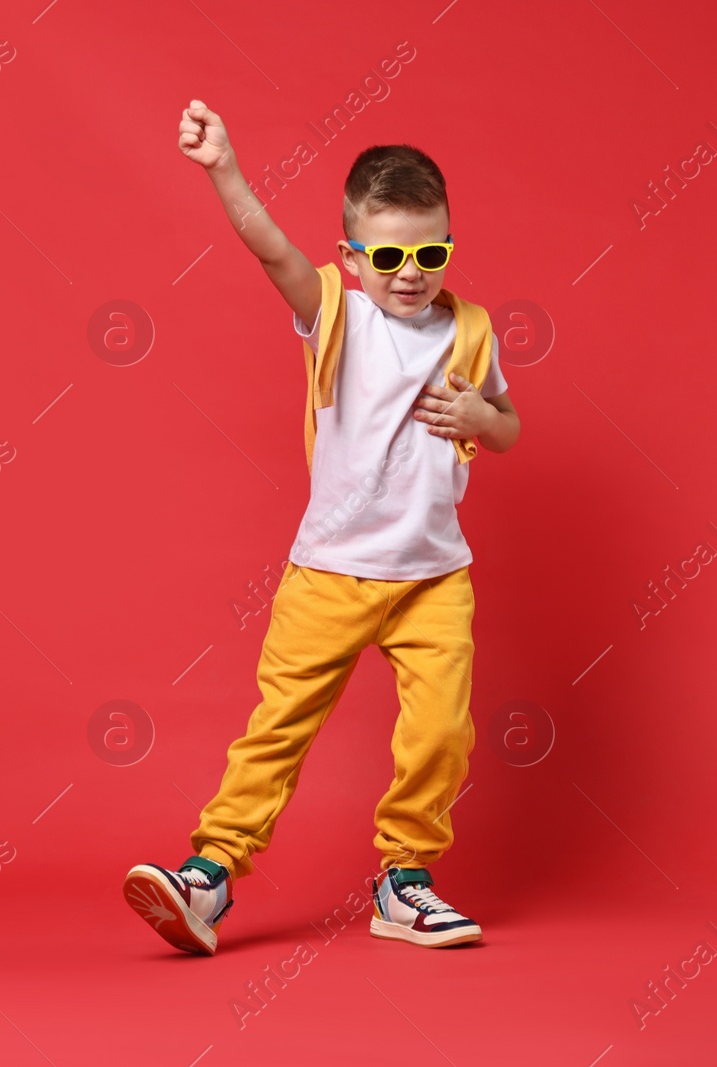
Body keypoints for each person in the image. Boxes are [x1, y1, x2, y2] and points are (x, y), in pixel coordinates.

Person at [122, 99, 520, 956]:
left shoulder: (473, 329)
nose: (410, 272)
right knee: (282, 724)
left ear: (449, 246)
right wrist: (224, 167)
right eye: (388, 255)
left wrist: (482, 418)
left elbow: (511, 425)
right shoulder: (340, 313)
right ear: (352, 257)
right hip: (331, 570)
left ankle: (404, 879)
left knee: (443, 730)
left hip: (433, 575)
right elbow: (270, 246)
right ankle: (211, 873)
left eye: (430, 252)